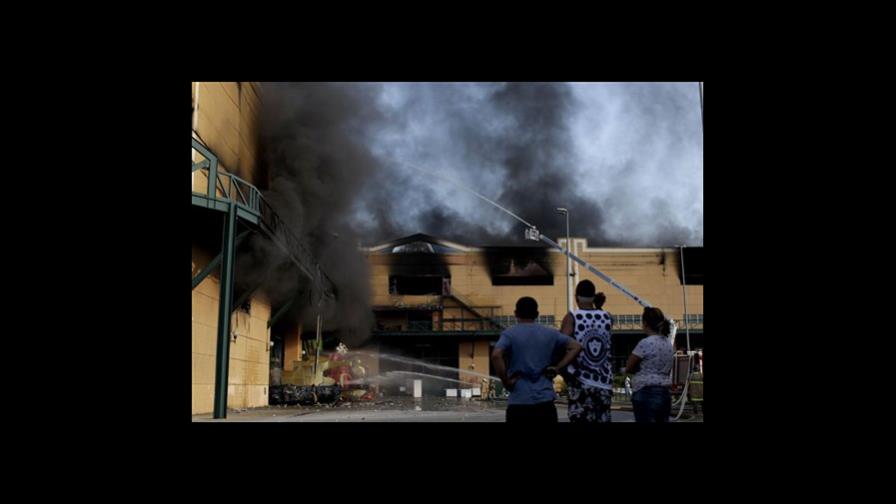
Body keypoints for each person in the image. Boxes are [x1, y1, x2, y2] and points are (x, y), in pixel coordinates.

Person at [491, 296, 582, 423]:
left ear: (516, 313)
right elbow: (576, 346)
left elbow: (496, 355)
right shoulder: (551, 333)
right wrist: (557, 368)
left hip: (519, 402)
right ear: (537, 314)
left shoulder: (509, 334)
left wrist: (505, 381)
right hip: (545, 402)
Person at [560, 280, 615, 422]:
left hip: (581, 381)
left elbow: (560, 344)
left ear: (576, 296)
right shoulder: (608, 317)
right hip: (604, 382)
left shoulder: (573, 317)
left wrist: (562, 370)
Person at [625, 307, 675, 422]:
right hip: (664, 393)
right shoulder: (668, 345)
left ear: (646, 323)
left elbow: (629, 366)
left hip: (645, 391)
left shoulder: (645, 343)